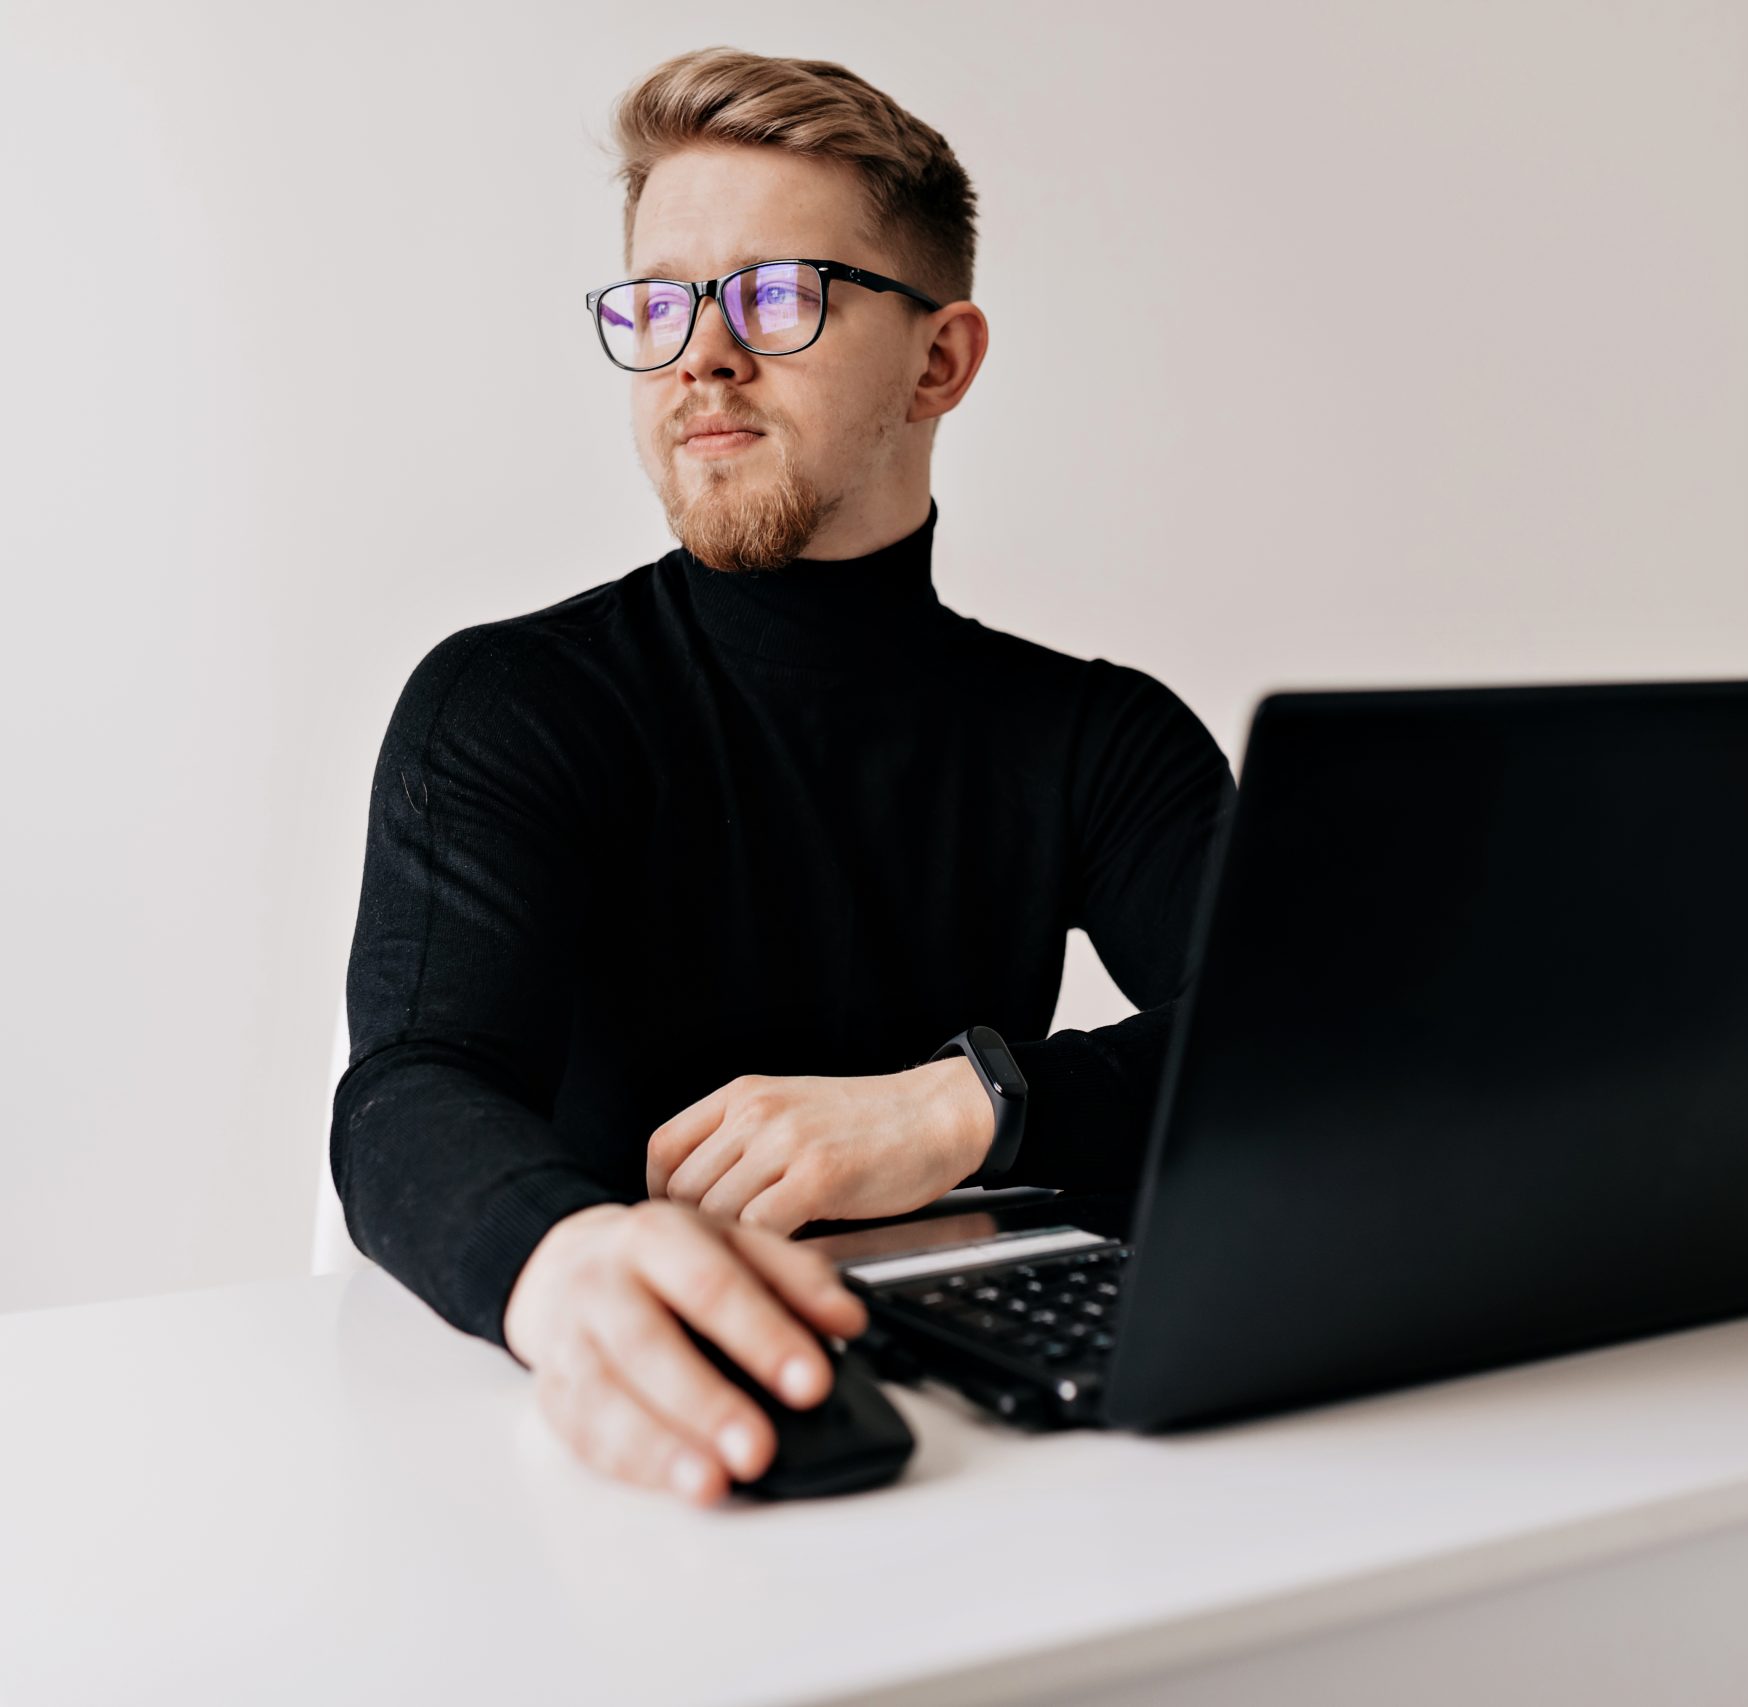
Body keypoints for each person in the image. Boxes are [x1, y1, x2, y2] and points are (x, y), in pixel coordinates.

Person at [332, 45, 1235, 1505]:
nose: (702, 352)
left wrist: (967, 1107)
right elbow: (409, 1093)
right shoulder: (505, 707)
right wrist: (572, 1265)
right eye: (661, 301)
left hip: (1012, 1448)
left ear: (939, 360)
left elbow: (1302, 1036)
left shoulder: (1100, 737)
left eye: (773, 292)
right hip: (619, 1451)